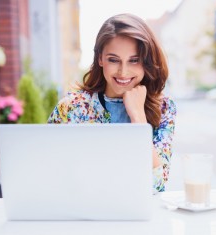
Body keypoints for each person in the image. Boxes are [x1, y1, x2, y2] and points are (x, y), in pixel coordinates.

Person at [48, 13, 176, 193]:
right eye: (114, 60)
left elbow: (156, 184)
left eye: (134, 60)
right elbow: (50, 173)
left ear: (146, 62)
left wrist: (138, 117)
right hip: (81, 210)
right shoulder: (70, 107)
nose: (123, 72)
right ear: (100, 58)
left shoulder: (163, 108)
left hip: (138, 214)